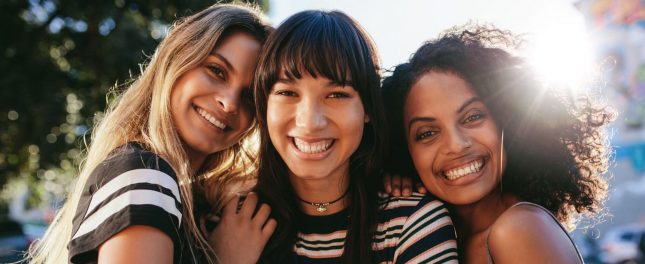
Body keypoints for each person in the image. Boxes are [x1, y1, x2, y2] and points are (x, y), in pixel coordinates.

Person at [28, 4, 275, 264]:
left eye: (249, 96)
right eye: (217, 71)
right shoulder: (146, 175)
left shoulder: (186, 197)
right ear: (177, 61)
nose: (230, 103)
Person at [382, 24, 614, 263]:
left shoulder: (516, 229)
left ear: (507, 120)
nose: (456, 144)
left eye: (472, 117)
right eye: (427, 133)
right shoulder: (430, 238)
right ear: (404, 152)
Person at [250, 10, 458, 263]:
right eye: (287, 93)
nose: (310, 122)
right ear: (264, 104)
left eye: (336, 94)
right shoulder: (230, 225)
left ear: (368, 109)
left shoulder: (411, 222)